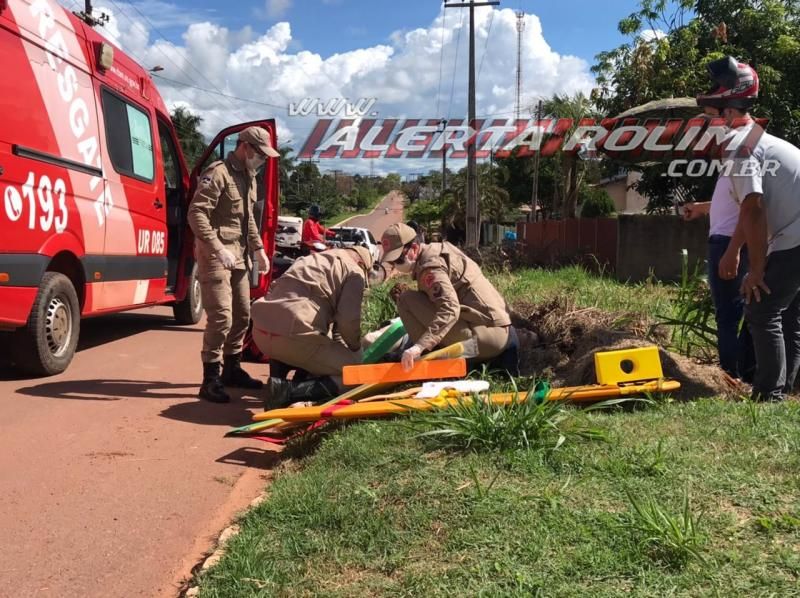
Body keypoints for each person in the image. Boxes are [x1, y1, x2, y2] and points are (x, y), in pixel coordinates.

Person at [699, 56, 800, 401]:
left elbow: (753, 208)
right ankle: (785, 389)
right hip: (792, 234)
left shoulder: (740, 146)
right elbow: (751, 208)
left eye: (713, 115)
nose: (710, 124)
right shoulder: (760, 140)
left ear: (729, 111)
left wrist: (755, 270)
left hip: (794, 236)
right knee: (788, 314)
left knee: (762, 308)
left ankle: (769, 395)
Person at [188, 126, 277, 403]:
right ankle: (210, 379)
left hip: (239, 256)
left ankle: (232, 369)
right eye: (260, 154)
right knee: (221, 317)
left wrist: (258, 249)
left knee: (242, 315)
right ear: (245, 147)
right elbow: (196, 213)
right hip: (216, 256)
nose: (262, 160)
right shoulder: (219, 173)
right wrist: (216, 247)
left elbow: (247, 220)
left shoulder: (249, 177)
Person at [379, 222, 518, 373]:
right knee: (418, 299)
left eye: (398, 260)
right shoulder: (438, 250)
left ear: (414, 248)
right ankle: (433, 352)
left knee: (406, 300)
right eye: (392, 262)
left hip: (485, 340)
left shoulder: (430, 268)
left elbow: (450, 308)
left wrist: (419, 346)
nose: (395, 265)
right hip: (496, 330)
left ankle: (429, 357)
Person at [682, 106, 755, 382]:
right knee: (738, 313)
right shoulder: (732, 160)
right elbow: (733, 202)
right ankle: (744, 374)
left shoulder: (740, 155)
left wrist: (733, 250)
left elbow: (751, 206)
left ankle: (732, 379)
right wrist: (701, 208)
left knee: (729, 315)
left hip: (729, 243)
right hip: (728, 241)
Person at [251, 246, 375, 408]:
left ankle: (281, 367)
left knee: (299, 333)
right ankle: (288, 391)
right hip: (294, 337)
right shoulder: (354, 271)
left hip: (261, 333)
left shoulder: (309, 259)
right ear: (361, 263)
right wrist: (355, 347)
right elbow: (348, 322)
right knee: (357, 373)